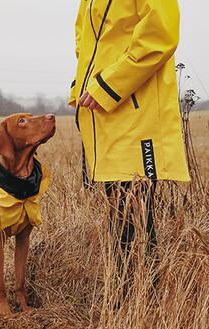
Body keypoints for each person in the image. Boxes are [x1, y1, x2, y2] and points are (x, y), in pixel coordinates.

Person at [68, 0, 191, 300]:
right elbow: (85, 42)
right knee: (119, 207)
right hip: (103, 112)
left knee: (134, 207)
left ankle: (138, 303)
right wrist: (81, 88)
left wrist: (107, 85)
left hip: (136, 112)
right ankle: (131, 300)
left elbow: (159, 37)